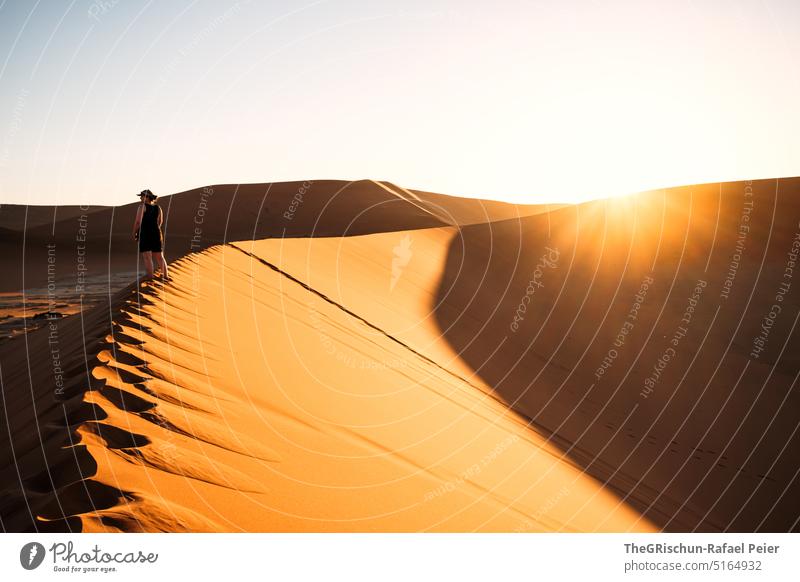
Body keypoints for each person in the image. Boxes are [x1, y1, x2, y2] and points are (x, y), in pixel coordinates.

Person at [132, 189, 169, 280]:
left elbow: (137, 222)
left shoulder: (142, 207)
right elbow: (160, 221)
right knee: (160, 256)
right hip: (156, 233)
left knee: (147, 257)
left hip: (145, 234)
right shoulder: (158, 208)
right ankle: (165, 276)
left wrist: (134, 232)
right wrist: (155, 229)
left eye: (142, 196)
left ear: (147, 197)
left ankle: (150, 277)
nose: (140, 198)